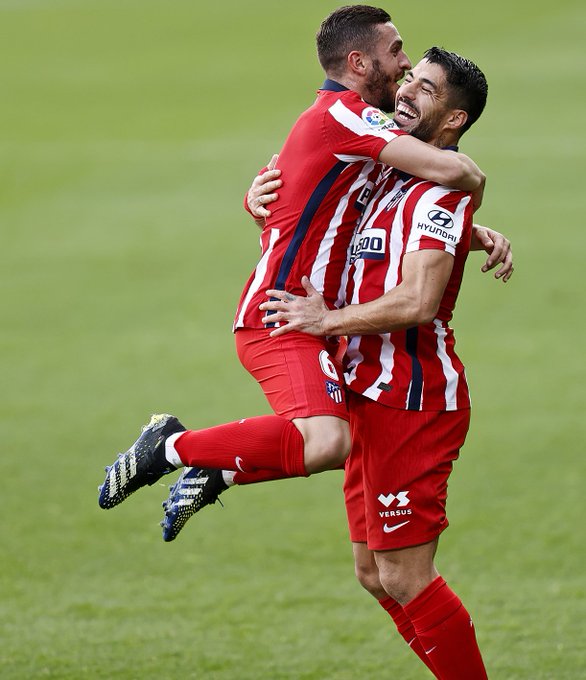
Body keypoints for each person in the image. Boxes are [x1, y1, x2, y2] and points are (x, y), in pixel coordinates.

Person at [98, 6, 488, 528]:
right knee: (329, 441)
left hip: (312, 317)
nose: (402, 67)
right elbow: (450, 170)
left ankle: (219, 472)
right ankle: (171, 446)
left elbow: (372, 210)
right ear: (359, 61)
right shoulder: (348, 115)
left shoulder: (356, 131)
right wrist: (476, 189)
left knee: (338, 439)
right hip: (283, 314)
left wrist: (471, 234)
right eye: (396, 54)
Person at [259, 47, 493, 678]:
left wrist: (324, 321)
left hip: (410, 399)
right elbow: (315, 203)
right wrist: (255, 197)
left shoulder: (441, 190)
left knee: (405, 574)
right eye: (408, 76)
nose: (408, 89)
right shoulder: (388, 168)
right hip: (365, 393)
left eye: (427, 89)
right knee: (373, 573)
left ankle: (182, 454)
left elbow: (418, 299)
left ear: (452, 121)